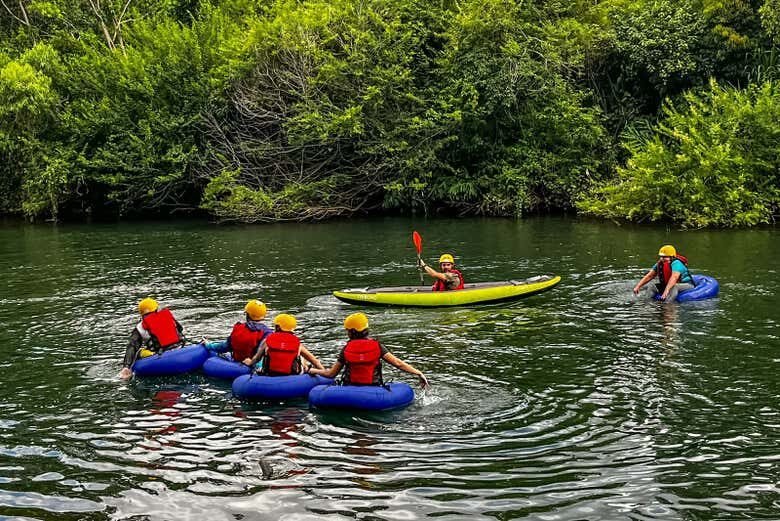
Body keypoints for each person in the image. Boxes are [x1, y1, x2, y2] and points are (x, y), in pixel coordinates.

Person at [308, 313, 429, 388]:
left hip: (349, 388)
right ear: (366, 330)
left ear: (350, 332)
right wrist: (418, 373)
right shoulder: (377, 346)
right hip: (373, 389)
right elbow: (398, 364)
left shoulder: (346, 349)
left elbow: (331, 374)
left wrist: (312, 370)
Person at [119, 298, 185, 380]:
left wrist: (126, 366)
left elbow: (132, 346)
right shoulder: (169, 318)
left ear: (141, 314)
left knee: (139, 352)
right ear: (156, 309)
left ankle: (127, 370)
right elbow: (180, 330)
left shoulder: (140, 327)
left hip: (159, 357)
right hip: (180, 350)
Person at [244, 314, 324, 375]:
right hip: (292, 375)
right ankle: (307, 368)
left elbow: (257, 358)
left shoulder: (267, 341)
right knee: (302, 358)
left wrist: (250, 362)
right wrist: (325, 375)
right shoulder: (297, 344)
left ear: (278, 327)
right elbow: (315, 361)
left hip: (270, 374)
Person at [204, 300, 272, 366]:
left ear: (247, 314)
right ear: (263, 317)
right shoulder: (267, 333)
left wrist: (209, 345)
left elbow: (225, 346)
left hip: (237, 363)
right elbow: (262, 353)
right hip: (254, 366)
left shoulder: (238, 328)